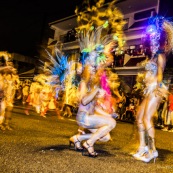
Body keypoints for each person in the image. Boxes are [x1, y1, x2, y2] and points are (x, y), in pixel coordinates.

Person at [132, 16, 173, 163]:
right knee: (139, 116)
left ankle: (152, 150)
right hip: (149, 89)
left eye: (154, 39)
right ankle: (143, 146)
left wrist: (157, 88)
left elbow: (160, 74)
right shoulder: (153, 56)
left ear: (159, 40)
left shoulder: (161, 55)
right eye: (151, 39)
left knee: (147, 119)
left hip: (155, 89)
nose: (152, 41)